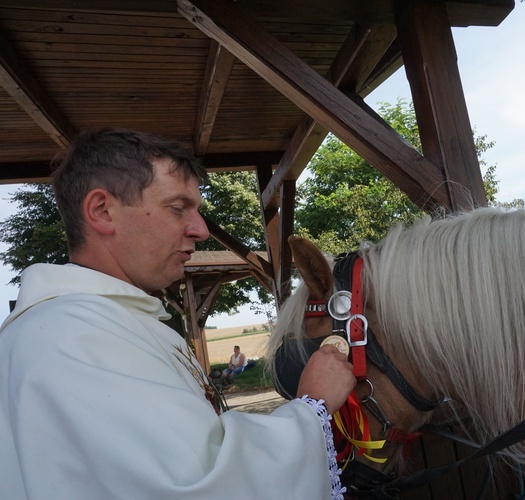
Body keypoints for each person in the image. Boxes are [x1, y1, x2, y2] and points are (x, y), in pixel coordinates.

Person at [0, 128, 356, 499]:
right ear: (102, 211)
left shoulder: (112, 324)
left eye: (197, 211)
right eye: (178, 208)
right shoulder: (68, 338)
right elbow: (198, 486)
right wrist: (312, 406)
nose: (201, 230)